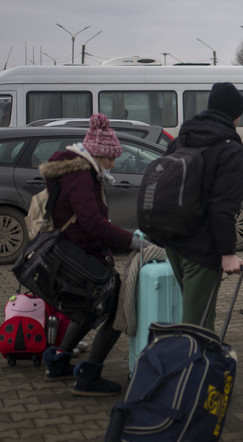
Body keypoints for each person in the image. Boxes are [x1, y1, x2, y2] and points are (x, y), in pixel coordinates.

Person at [40, 113, 143, 396]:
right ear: (96, 153)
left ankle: (59, 361)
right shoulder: (82, 175)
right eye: (110, 158)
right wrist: (132, 241)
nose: (113, 163)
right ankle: (89, 374)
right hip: (84, 257)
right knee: (118, 309)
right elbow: (92, 223)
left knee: (87, 309)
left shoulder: (73, 170)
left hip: (75, 254)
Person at [163, 82, 243, 332]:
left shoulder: (181, 140)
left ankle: (197, 366)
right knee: (197, 326)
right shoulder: (230, 149)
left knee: (197, 317)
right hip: (201, 248)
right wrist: (228, 252)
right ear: (236, 115)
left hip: (173, 242)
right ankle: (189, 369)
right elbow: (223, 206)